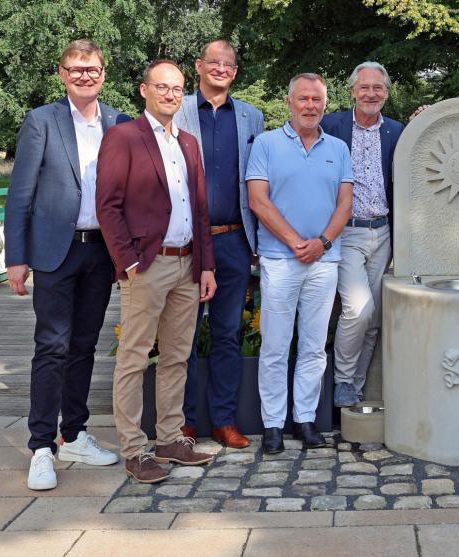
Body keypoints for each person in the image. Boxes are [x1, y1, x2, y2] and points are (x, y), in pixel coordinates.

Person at [4, 39, 128, 491]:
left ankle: (73, 433)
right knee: (51, 346)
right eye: (75, 69)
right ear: (61, 74)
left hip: (101, 251)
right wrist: (15, 258)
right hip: (56, 251)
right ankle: (41, 446)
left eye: (91, 69)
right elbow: (20, 196)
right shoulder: (41, 121)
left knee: (84, 346)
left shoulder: (120, 122)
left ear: (103, 73)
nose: (84, 75)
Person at [96, 60, 217, 483]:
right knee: (133, 357)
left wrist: (205, 265)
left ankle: (169, 438)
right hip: (146, 265)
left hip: (187, 263)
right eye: (162, 87)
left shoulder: (187, 143)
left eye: (178, 88)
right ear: (144, 89)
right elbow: (107, 204)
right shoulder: (124, 137)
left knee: (177, 357)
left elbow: (199, 210)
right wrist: (127, 261)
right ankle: (133, 448)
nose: (170, 94)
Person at [246, 73, 353, 453]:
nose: (310, 105)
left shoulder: (338, 148)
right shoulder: (266, 144)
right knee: (275, 345)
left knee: (313, 345)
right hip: (280, 259)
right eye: (303, 99)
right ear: (290, 102)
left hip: (324, 259)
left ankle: (305, 420)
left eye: (317, 100)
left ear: (325, 104)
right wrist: (296, 243)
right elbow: (259, 201)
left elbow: (345, 203)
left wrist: (321, 243)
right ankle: (273, 424)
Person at [174, 39, 265, 448]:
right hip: (187, 240)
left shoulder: (252, 118)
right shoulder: (176, 110)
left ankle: (224, 420)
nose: (221, 69)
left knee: (227, 333)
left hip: (233, 240)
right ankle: (184, 420)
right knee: (183, 335)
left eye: (229, 64)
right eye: (214, 62)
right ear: (198, 65)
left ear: (235, 71)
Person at [321, 62, 404, 406]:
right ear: (353, 91)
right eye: (365, 87)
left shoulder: (397, 131)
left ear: (386, 93)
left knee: (374, 319)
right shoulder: (332, 125)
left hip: (383, 232)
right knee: (357, 309)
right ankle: (342, 379)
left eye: (378, 88)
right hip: (347, 232)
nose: (372, 94)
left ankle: (353, 389)